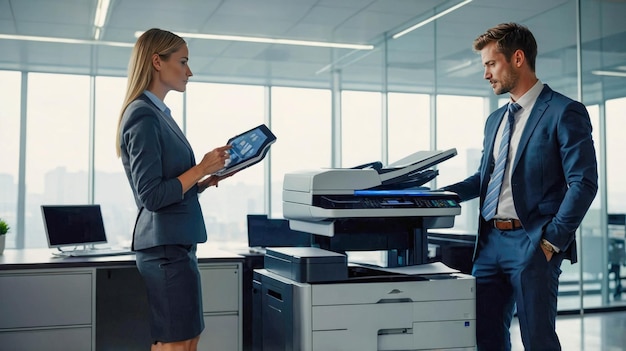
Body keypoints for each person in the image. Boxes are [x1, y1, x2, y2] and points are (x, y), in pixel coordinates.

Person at [442, 23, 598, 350]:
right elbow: (483, 180)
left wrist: (551, 242)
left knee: (538, 340)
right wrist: (435, 197)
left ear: (516, 58)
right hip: (489, 244)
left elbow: (583, 182)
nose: (486, 74)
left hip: (533, 243)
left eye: (490, 64)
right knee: (485, 337)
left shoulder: (563, 111)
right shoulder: (495, 121)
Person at [115, 28, 233, 351]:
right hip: (164, 249)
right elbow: (151, 196)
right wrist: (200, 169)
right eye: (183, 62)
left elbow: (168, 186)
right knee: (175, 344)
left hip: (176, 245)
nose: (189, 71)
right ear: (157, 61)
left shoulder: (157, 115)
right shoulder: (142, 116)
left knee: (187, 339)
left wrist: (203, 181)